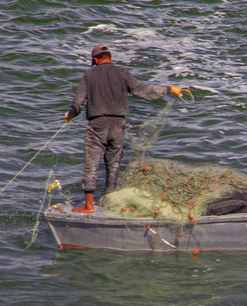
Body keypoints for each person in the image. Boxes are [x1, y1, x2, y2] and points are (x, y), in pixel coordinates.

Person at [64, 44, 188, 213]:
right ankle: (108, 201)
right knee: (113, 165)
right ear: (111, 58)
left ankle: (88, 205)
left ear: (95, 60)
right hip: (118, 125)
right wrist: (168, 89)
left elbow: (78, 103)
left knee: (91, 165)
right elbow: (144, 91)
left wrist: (71, 114)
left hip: (97, 125)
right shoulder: (123, 73)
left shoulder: (89, 75)